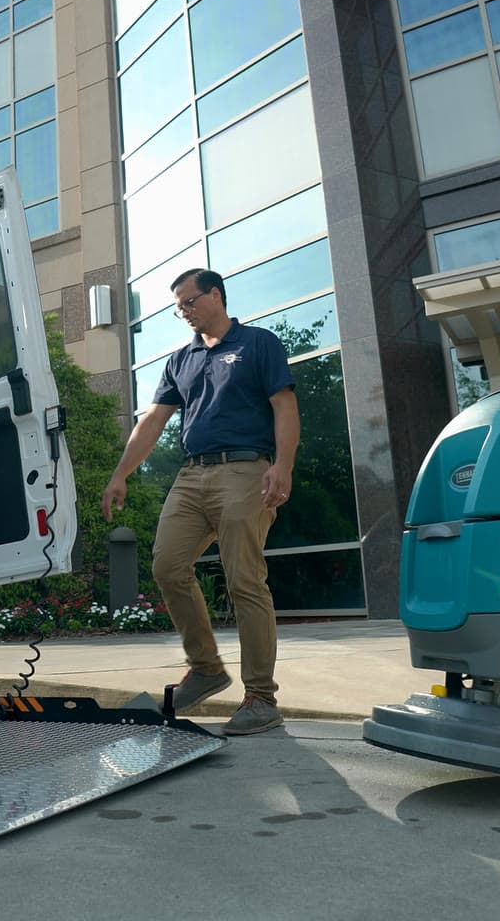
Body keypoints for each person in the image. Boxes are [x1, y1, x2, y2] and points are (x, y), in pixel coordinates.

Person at [102, 268, 300, 736]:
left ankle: (260, 697)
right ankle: (207, 668)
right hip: (192, 474)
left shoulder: (257, 343)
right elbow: (152, 421)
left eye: (189, 302)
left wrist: (283, 465)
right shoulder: (180, 360)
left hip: (247, 469)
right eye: (178, 307)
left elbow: (284, 406)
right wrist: (120, 474)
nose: (183, 312)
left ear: (215, 295)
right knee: (167, 566)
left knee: (244, 580)